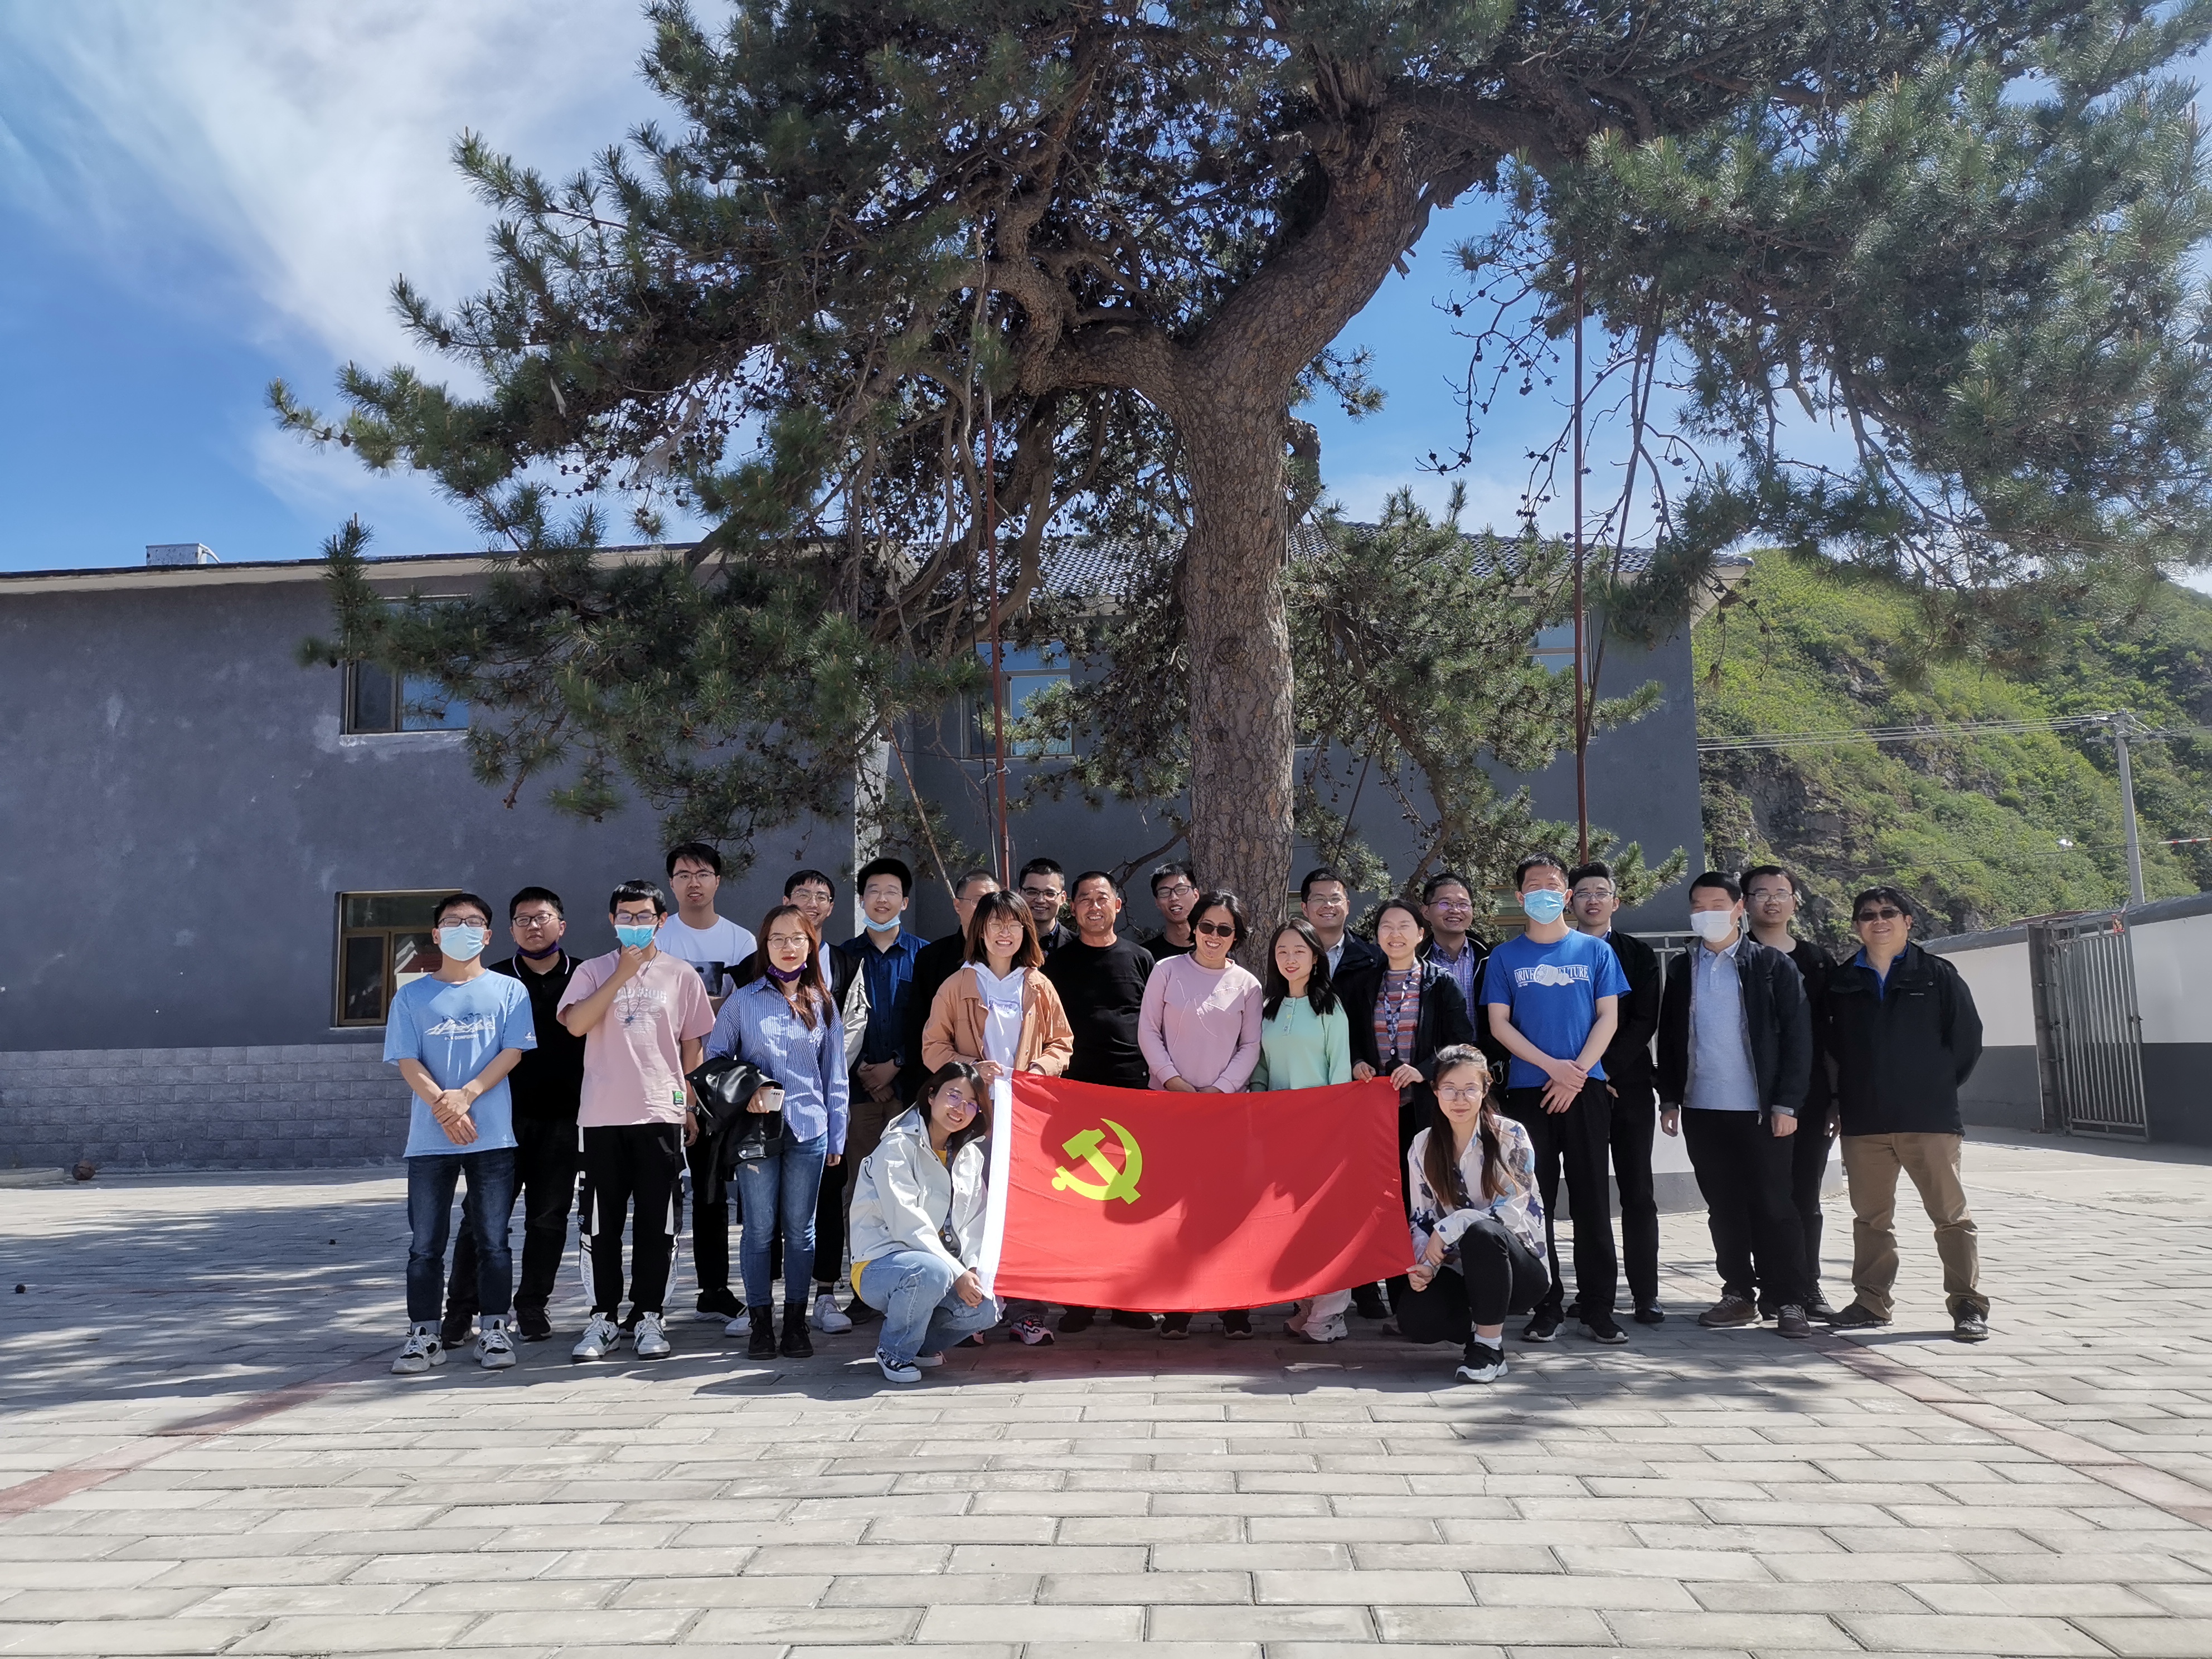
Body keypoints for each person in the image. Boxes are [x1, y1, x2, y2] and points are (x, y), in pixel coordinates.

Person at [558, 880, 716, 1363]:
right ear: (612, 920)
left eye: (644, 916)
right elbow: (577, 1024)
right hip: (601, 1117)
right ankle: (603, 1318)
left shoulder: (681, 975)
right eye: (625, 916)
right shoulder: (592, 970)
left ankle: (649, 1314)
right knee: (600, 1223)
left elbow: (692, 1047)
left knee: (657, 1222)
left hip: (660, 1114)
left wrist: (688, 1105)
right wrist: (621, 974)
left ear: (661, 921)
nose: (634, 924)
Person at [1655, 871, 1816, 1341]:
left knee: (1775, 1204)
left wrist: (1787, 1103)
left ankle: (1789, 1298)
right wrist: (1670, 1098)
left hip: (1761, 1111)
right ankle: (1738, 1292)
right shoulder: (1682, 968)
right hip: (1703, 1108)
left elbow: (1798, 1038)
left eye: (1718, 905)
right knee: (1723, 1207)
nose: (1708, 914)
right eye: (1699, 907)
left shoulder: (1770, 965)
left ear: (1738, 908)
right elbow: (1671, 1036)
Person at [1824, 886, 1990, 1342]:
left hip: (1928, 1119)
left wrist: (1933, 1088)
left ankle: (1968, 1305)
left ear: (1907, 921)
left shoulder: (1938, 976)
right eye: (1868, 915)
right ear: (1857, 926)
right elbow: (1832, 1050)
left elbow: (1967, 1042)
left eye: (1889, 913)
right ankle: (1871, 1303)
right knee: (1871, 1219)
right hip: (1864, 1121)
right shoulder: (1841, 982)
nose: (1879, 921)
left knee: (1951, 1217)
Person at [1481, 854, 1630, 1346]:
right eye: (1533, 886)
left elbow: (1608, 1017)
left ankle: (1598, 1308)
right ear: (1519, 897)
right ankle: (1546, 1305)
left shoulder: (1595, 951)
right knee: (1534, 1203)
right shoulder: (1505, 958)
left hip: (1585, 1089)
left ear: (1566, 896)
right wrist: (1553, 1068)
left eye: (1552, 885)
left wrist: (1577, 1072)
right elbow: (1499, 1025)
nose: (1543, 893)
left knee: (1592, 1201)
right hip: (1530, 1092)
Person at [384, 892, 535, 1375]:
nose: (463, 930)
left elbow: (512, 1052)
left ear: (488, 936)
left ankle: (494, 1330)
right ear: (436, 934)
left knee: (494, 1240)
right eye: (452, 922)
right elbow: (407, 1060)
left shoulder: (510, 991)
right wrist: (445, 1109)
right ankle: (423, 1335)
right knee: (425, 1245)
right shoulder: (411, 996)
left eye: (473, 923)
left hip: (492, 1136)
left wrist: (466, 1095)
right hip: (429, 1139)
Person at [923, 890, 1076, 1345]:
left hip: (1026, 1121)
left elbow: (1062, 1043)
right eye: (995, 924)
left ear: (1026, 932)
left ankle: (1027, 1312)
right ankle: (972, 1310)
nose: (1004, 933)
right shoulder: (958, 984)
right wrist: (973, 1070)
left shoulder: (1038, 985)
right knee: (970, 1211)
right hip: (971, 1120)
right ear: (980, 931)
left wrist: (1038, 1071)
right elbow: (933, 1048)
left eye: (1013, 924)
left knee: (1025, 1215)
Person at [707, 903, 850, 1359]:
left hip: (810, 1131)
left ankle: (795, 1323)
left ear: (810, 944)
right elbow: (715, 1059)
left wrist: (837, 1136)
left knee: (801, 1230)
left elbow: (836, 1076)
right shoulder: (744, 1000)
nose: (788, 947)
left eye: (797, 939)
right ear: (764, 945)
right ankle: (760, 1324)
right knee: (759, 1230)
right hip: (757, 1132)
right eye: (777, 939)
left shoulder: (823, 1003)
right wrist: (748, 1088)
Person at [444, 887, 585, 1346]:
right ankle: (461, 1309)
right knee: (480, 1218)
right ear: (509, 930)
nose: (533, 926)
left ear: (561, 925)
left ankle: (532, 1305)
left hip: (564, 1120)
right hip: (500, 1119)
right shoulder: (493, 979)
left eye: (542, 917)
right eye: (523, 920)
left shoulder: (585, 978)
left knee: (549, 1217)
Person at [1137, 890, 1264, 1338]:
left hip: (1225, 1114)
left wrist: (1219, 1090)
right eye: (1207, 926)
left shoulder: (1248, 985)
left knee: (1227, 1210)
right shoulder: (1166, 970)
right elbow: (1148, 1031)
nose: (1214, 935)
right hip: (1170, 1108)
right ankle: (1179, 1305)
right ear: (1193, 927)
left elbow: (1251, 1045)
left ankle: (1234, 1305)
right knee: (1175, 1209)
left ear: (1236, 937)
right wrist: (1173, 1081)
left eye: (1224, 929)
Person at [1041, 872, 1159, 1335]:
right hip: (1075, 1095)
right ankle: (1081, 1300)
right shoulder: (1056, 964)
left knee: (1131, 1203)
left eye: (1102, 898)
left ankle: (1130, 1300)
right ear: (1072, 907)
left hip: (1132, 1093)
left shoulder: (1142, 959)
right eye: (1085, 899)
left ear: (1118, 905)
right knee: (1080, 1202)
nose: (1094, 906)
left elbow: (1155, 1024)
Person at [1399, 1046, 1550, 1384]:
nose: (1460, 1099)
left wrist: (1453, 1224)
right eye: (1450, 1089)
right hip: (1459, 1268)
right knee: (1416, 1320)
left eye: (1470, 1089)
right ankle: (1478, 1327)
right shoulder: (1423, 1145)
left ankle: (1489, 1348)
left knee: (1483, 1233)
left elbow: (1510, 1212)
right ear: (1435, 1090)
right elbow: (1422, 1217)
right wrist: (1425, 1264)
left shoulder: (1511, 1135)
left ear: (1485, 1089)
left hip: (1519, 1270)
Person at [655, 842, 759, 1326]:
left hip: (720, 1084)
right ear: (671, 883)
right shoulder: (658, 938)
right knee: (658, 1193)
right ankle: (649, 1297)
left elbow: (750, 1007)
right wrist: (709, 1010)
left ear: (718, 880)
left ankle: (714, 1290)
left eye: (702, 873)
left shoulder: (741, 942)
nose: (693, 882)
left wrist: (697, 1012)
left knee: (712, 1191)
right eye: (683, 874)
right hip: (660, 1080)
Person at [847, 1062, 1003, 1382]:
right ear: (931, 1095)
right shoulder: (897, 1146)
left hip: (941, 1266)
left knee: (988, 1307)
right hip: (878, 1264)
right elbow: (908, 1224)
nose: (960, 1109)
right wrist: (957, 1271)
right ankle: (894, 1352)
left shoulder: (970, 1155)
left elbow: (976, 1221)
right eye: (954, 1096)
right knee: (930, 1272)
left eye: (971, 1104)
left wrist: (974, 1269)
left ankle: (918, 1346)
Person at [773, 867, 872, 1333]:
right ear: (785, 900)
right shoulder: (758, 962)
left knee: (828, 1196)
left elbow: (853, 1026)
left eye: (821, 897)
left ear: (831, 908)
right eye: (803, 894)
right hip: (770, 1103)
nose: (811, 903)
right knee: (765, 1204)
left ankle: (825, 1293)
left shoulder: (847, 964)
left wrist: (822, 1072)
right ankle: (765, 1297)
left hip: (825, 1100)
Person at [1567, 860, 1665, 1325]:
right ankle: (1592, 1293)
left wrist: (1605, 1069)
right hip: (1576, 1088)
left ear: (1615, 902)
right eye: (1584, 893)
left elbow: (1645, 1019)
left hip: (1628, 1086)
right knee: (1587, 1194)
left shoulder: (1638, 954)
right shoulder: (1559, 952)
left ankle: (1646, 1294)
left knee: (1638, 1191)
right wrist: (1586, 1074)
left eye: (1601, 893)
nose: (1593, 900)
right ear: (1570, 901)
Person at [1250, 918, 1355, 1343]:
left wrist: (1333, 1129)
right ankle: (1306, 1304)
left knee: (1325, 1222)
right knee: (1290, 1223)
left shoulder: (1330, 1007)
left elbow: (1339, 1070)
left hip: (1322, 1132)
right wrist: (1259, 1102)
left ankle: (1332, 1312)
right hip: (1279, 1132)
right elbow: (1261, 1066)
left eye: (1299, 951)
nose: (1290, 959)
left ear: (1315, 957)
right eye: (1282, 951)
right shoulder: (1268, 1009)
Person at [830, 857, 923, 1332]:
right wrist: (865, 1070)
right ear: (862, 899)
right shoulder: (843, 957)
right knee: (861, 1193)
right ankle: (865, 1289)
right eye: (873, 891)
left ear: (904, 902)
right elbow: (835, 1025)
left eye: (891, 891)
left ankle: (917, 1284)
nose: (882, 899)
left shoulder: (924, 956)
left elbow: (931, 1021)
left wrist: (896, 1064)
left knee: (914, 1192)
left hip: (912, 1095)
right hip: (858, 1095)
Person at [1743, 864, 1840, 1318]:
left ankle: (1807, 1285)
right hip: (1749, 1097)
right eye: (1760, 893)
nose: (1771, 901)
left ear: (1795, 902)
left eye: (1781, 893)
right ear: (1744, 904)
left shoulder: (1818, 962)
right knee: (1759, 1194)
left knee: (1805, 1194)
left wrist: (1836, 1098)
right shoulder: (1734, 958)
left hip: (1810, 1097)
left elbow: (1834, 1037)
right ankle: (1765, 1287)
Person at [900, 868, 1000, 1099]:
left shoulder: (1014, 962)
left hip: (1004, 1087)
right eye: (978, 901)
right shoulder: (931, 958)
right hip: (945, 1084)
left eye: (993, 902)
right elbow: (919, 1028)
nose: (987, 910)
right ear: (957, 905)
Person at [1419, 870, 1488, 1022]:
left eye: (1463, 904)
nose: (1455, 910)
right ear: (1426, 911)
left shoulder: (1492, 959)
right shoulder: (1416, 963)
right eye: (1445, 903)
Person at [1300, 866, 1381, 985]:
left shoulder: (1374, 958)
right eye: (1319, 899)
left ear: (1347, 907)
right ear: (1305, 909)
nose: (1328, 905)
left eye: (1335, 899)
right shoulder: (1290, 957)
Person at [1138, 860, 1200, 959]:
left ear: (1196, 895)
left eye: (1181, 890)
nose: (1174, 898)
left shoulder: (1215, 947)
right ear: (1157, 902)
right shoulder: (1145, 956)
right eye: (1165, 892)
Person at [1017, 856, 1075, 955]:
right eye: (1032, 892)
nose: (1040, 900)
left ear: (1063, 898)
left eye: (1050, 894)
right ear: (1019, 894)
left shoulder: (1078, 948)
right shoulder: (1004, 943)